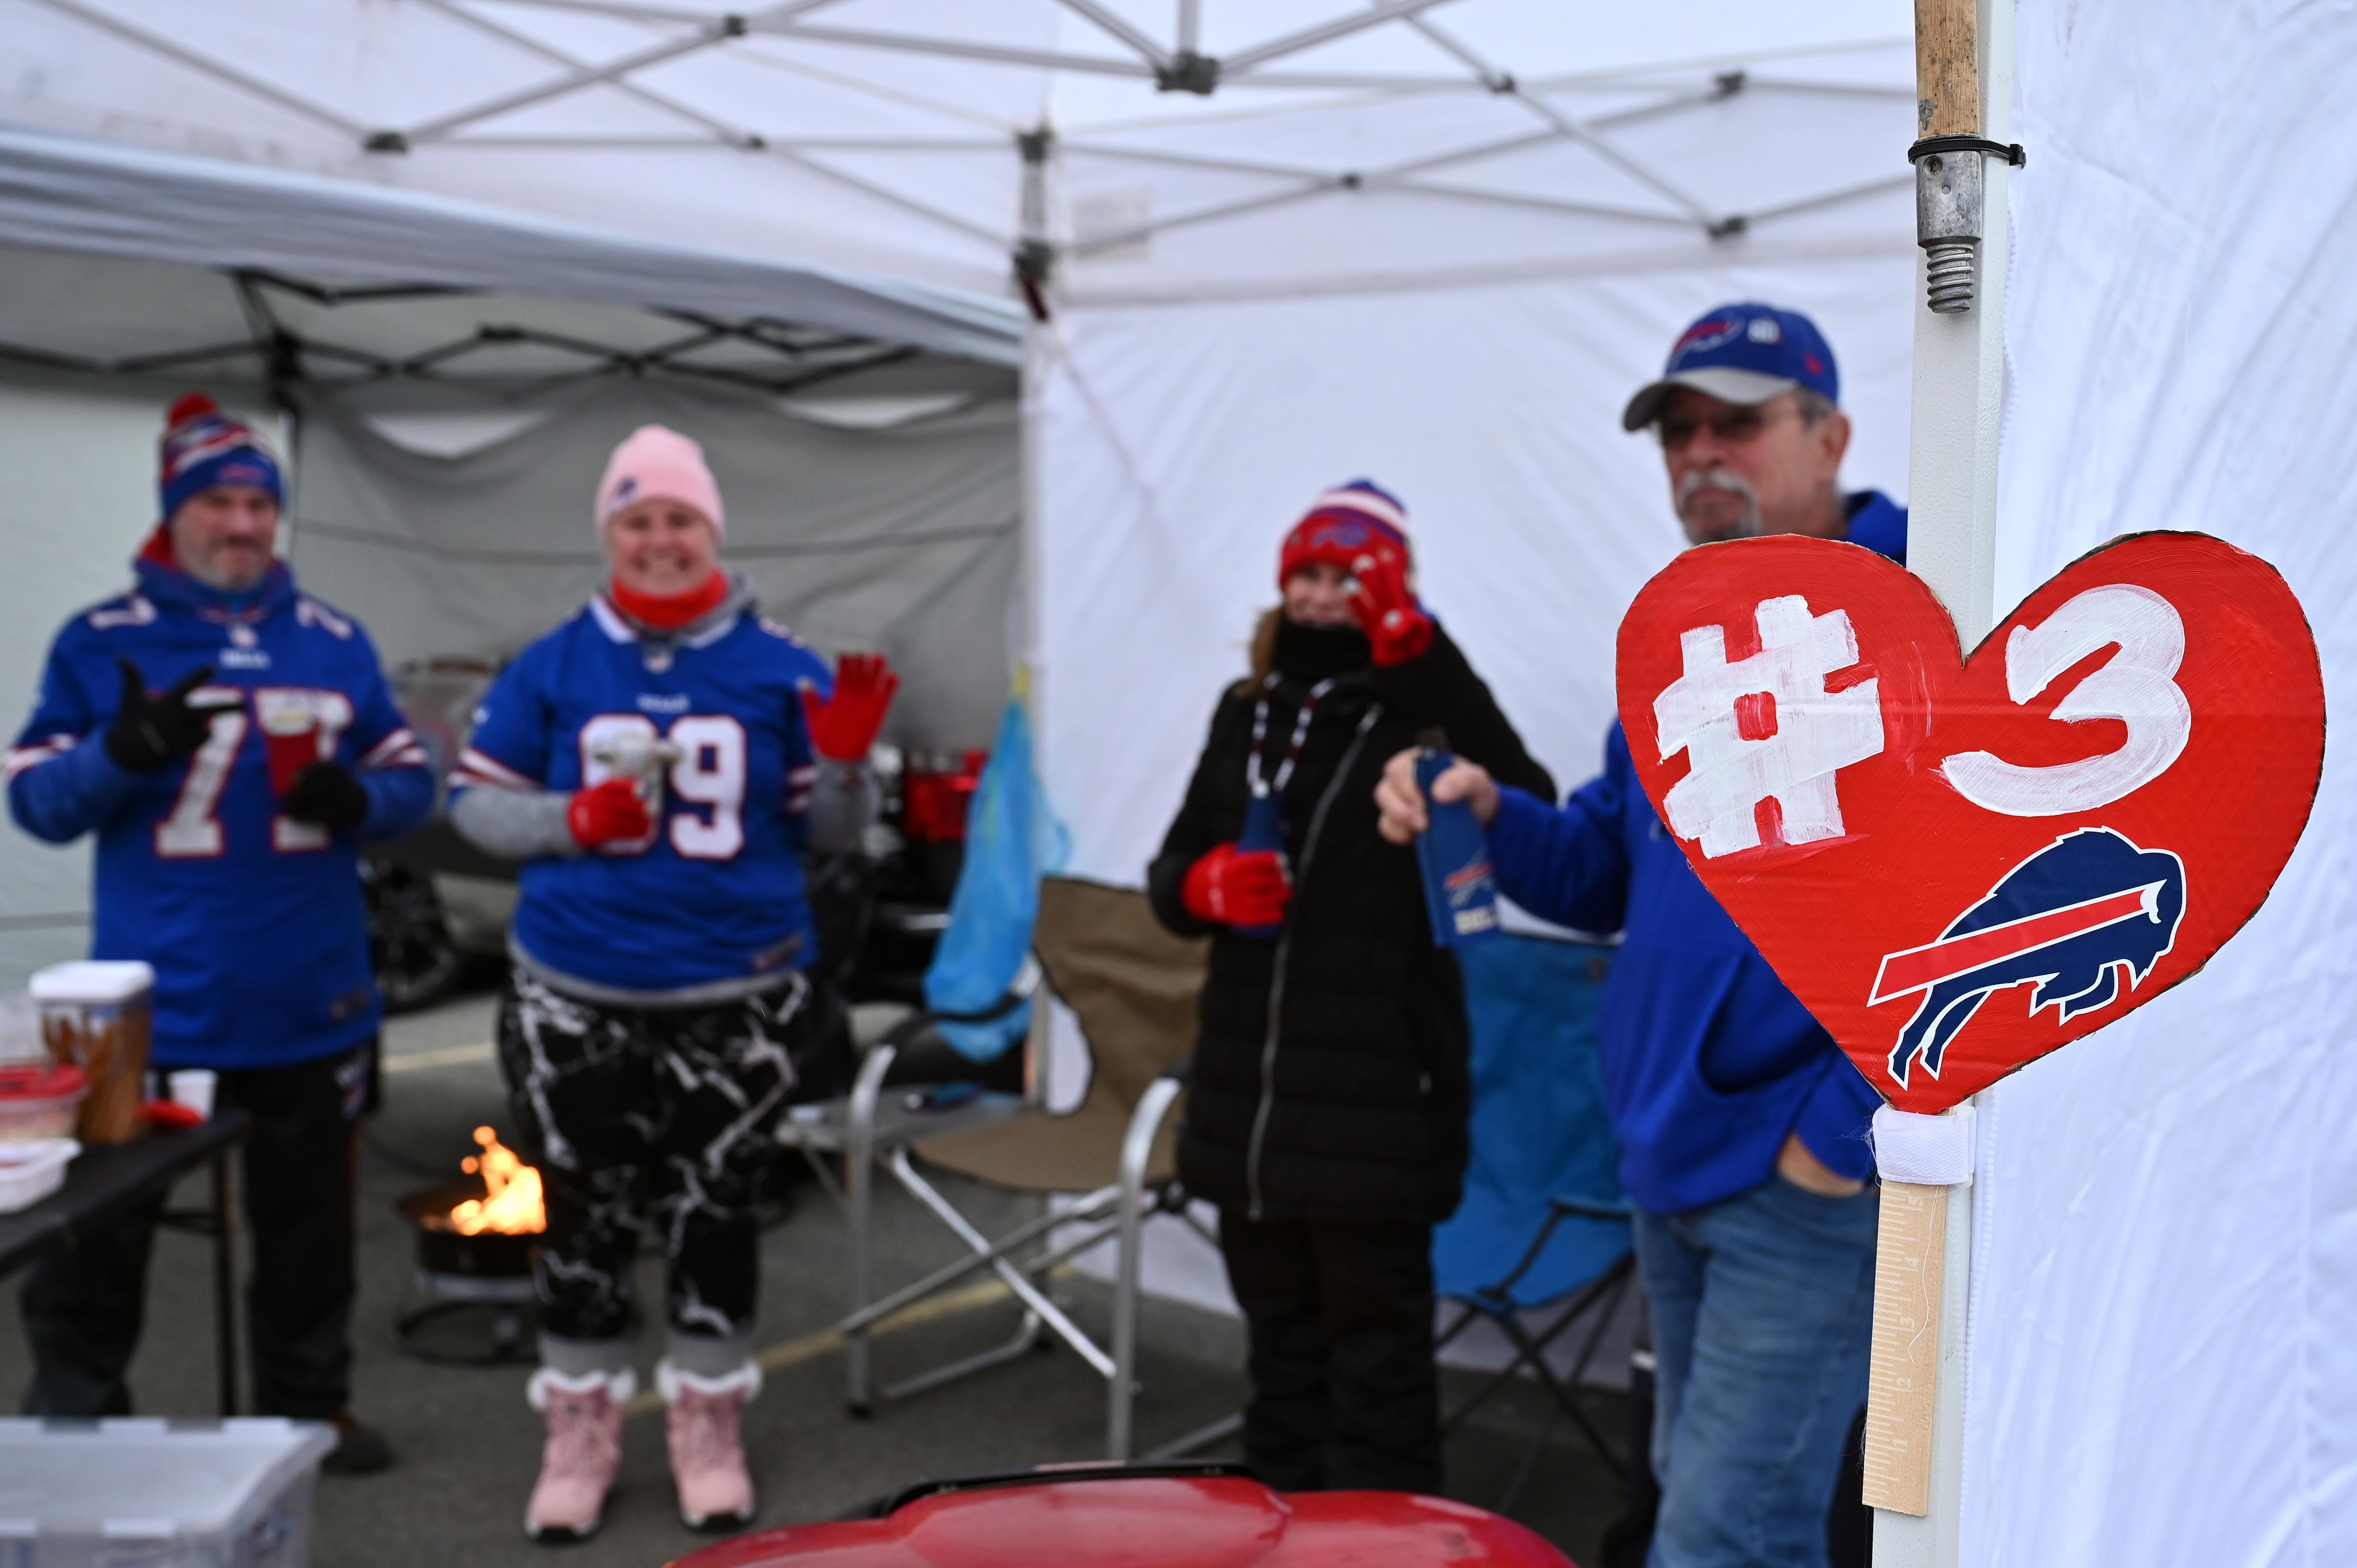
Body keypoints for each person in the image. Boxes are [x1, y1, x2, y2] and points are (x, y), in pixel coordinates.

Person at [1376, 304, 1899, 1568]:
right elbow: (1613, 867)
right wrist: (1491, 811)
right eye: (1678, 429)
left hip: (1800, 1183)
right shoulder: (1686, 628)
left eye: (1739, 421)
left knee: (1727, 1533)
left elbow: (1963, 910)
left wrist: (1834, 1142)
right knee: (1699, 1503)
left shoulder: (1915, 614)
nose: (1700, 452)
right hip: (1666, 1158)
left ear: (1829, 436)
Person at [447, 424, 895, 1543]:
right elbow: (472, 804)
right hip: (575, 988)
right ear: (611, 532)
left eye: (680, 519)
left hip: (735, 993)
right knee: (581, 1219)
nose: (659, 539)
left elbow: (837, 834)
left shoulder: (781, 661)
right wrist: (567, 820)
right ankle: (581, 1430)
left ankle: (707, 1422)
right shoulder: (554, 660)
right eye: (639, 519)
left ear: (712, 532)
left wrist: (843, 764)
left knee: (716, 1213)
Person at [7, 393, 435, 1472]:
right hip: (135, 1008)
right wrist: (123, 749)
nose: (243, 525)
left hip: (308, 987)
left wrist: (362, 803)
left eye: (259, 503)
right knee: (92, 1238)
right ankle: (78, 1423)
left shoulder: (333, 640)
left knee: (309, 1231)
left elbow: (411, 777)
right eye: (219, 504)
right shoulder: (102, 640)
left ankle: (307, 1413)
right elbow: (37, 802)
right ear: (175, 514)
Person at [1147, 481, 1554, 1495]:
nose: (1326, 597)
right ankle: (1281, 1540)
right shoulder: (1244, 713)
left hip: (1377, 1106)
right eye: (1310, 575)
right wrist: (1202, 886)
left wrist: (1422, 652)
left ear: (1393, 593)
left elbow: (1530, 797)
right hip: (1249, 1110)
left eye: (1352, 578)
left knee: (1379, 1382)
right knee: (1280, 1368)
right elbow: (1169, 876)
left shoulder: (1419, 715)